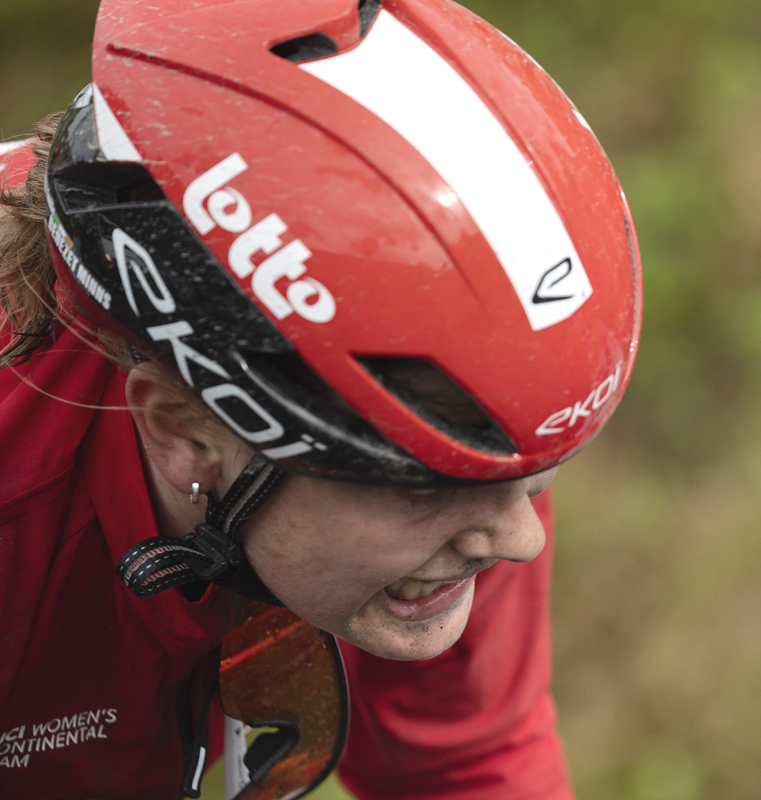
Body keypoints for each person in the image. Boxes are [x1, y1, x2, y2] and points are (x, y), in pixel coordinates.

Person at [0, 0, 641, 797]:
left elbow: (461, 763)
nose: (519, 539)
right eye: (429, 484)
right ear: (185, 431)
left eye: (541, 472)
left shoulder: (461, 431)